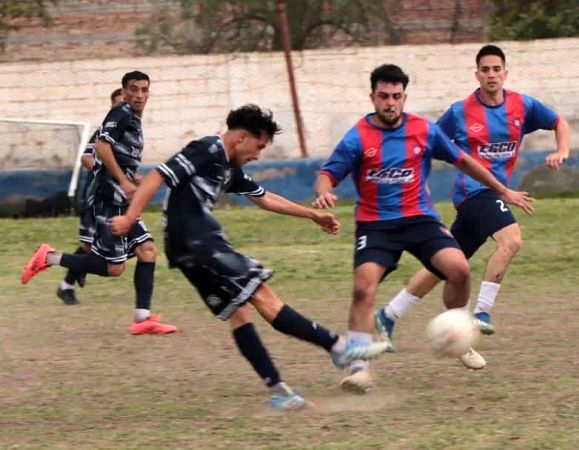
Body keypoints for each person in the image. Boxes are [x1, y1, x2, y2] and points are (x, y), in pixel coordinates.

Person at [107, 104, 390, 410]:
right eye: (259, 146)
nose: (258, 155)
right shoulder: (207, 148)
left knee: (237, 312)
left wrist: (311, 215)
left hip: (188, 248)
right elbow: (155, 178)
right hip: (199, 243)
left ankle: (280, 391)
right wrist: (130, 217)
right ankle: (337, 347)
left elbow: (265, 198)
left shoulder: (230, 167)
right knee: (262, 294)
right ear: (241, 137)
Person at [312, 64, 534, 393]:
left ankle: (460, 333)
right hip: (376, 225)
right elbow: (327, 173)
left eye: (397, 96)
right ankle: (359, 369)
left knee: (458, 268)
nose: (390, 103)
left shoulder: (423, 130)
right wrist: (324, 191)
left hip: (419, 219)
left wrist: (501, 190)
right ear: (372, 97)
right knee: (363, 288)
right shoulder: (358, 136)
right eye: (384, 96)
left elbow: (464, 161)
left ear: (405, 97)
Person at [375, 44, 571, 357]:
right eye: (485, 69)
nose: (491, 75)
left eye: (497, 69)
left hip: (491, 194)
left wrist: (562, 150)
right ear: (476, 74)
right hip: (473, 192)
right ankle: (481, 312)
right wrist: (418, 182)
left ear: (505, 73)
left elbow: (559, 122)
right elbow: (426, 144)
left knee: (446, 265)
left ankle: (389, 314)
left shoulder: (523, 105)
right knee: (512, 240)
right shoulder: (460, 111)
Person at [22, 71, 177, 335]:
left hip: (121, 200)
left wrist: (130, 179)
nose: (140, 95)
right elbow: (101, 147)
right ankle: (48, 257)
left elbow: (114, 153)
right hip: (110, 200)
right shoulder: (122, 113)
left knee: (147, 251)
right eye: (134, 89)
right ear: (124, 91)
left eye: (144, 90)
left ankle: (142, 319)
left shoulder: (132, 119)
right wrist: (123, 181)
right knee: (114, 267)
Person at [56, 88, 124, 305]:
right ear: (112, 107)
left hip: (113, 201)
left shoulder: (128, 132)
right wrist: (104, 170)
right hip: (95, 198)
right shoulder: (104, 131)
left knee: (94, 249)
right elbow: (86, 157)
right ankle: (67, 282)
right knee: (88, 247)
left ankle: (71, 278)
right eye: (119, 104)